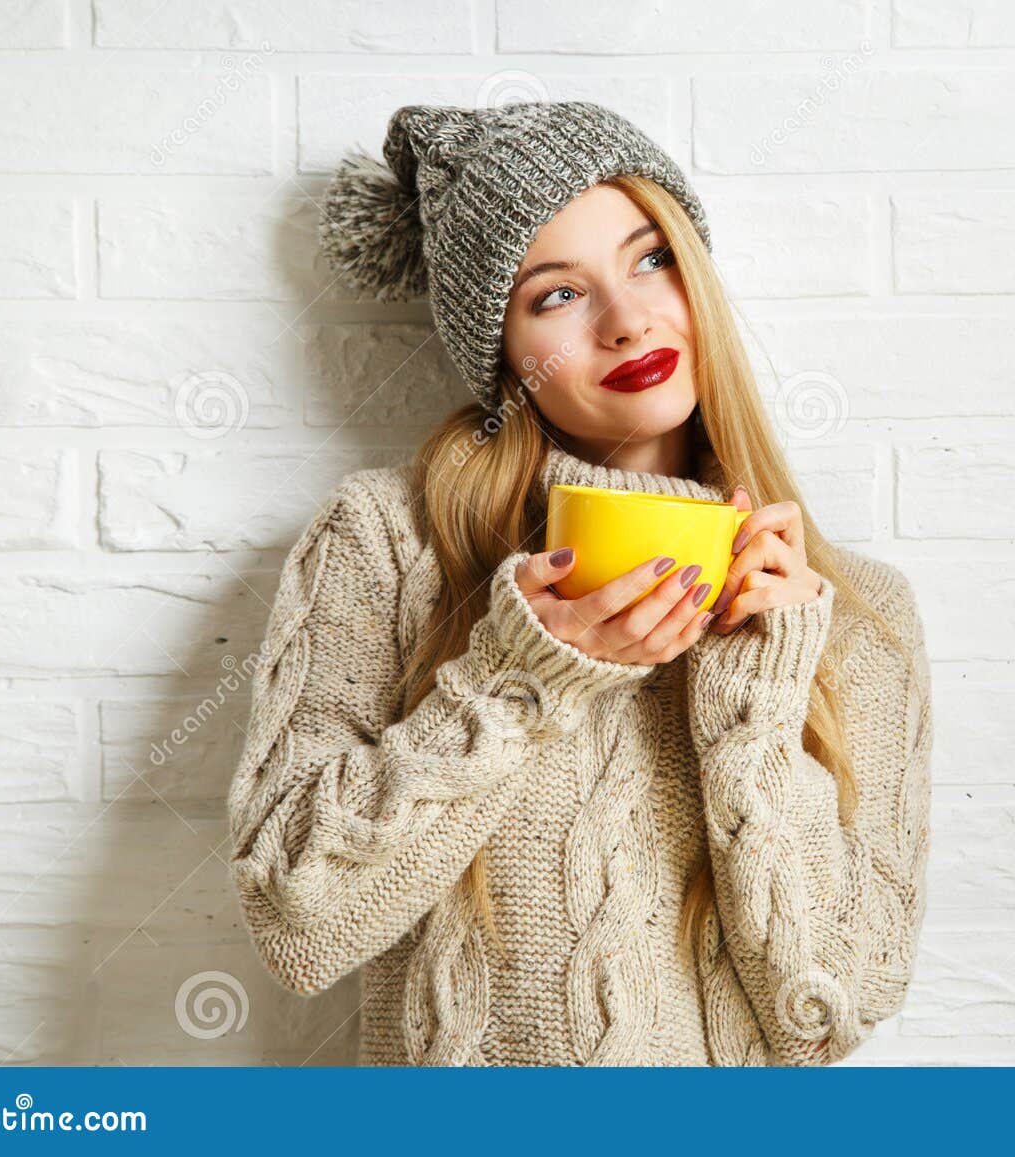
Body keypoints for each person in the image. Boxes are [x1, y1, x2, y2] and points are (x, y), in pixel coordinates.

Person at [225, 100, 933, 1066]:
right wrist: (522, 680)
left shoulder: (848, 612)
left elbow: (836, 1011)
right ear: (501, 353)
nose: (628, 317)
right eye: (556, 295)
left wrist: (757, 711)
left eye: (654, 259)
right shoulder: (389, 543)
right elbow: (295, 922)